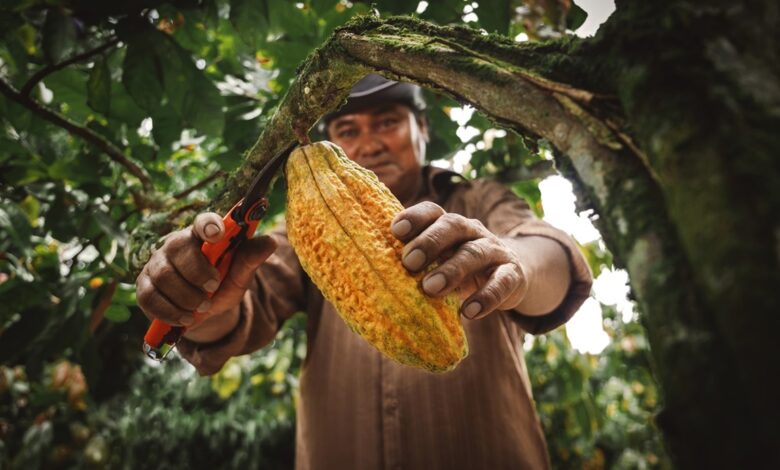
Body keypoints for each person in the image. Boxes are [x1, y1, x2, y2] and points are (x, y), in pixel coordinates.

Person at [136, 74, 592, 469]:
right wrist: (197, 297)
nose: (370, 143)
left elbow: (550, 256)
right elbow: (242, 309)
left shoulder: (477, 200)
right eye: (348, 130)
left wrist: (513, 262)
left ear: (422, 127)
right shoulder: (303, 227)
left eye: (388, 122)